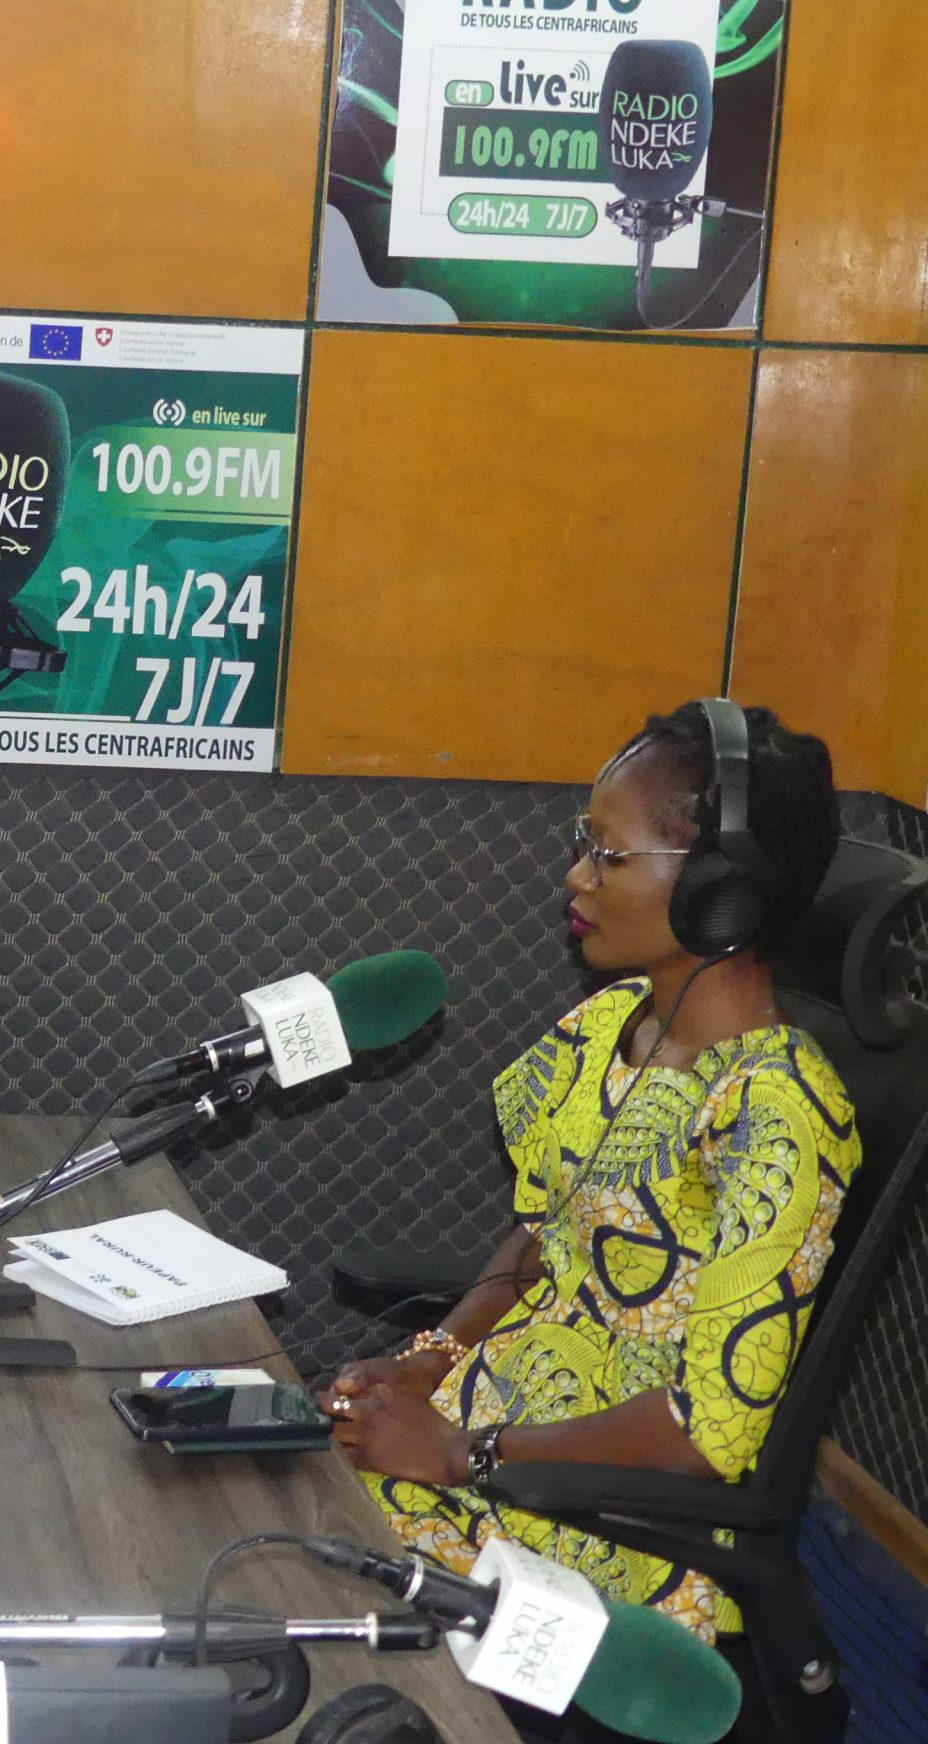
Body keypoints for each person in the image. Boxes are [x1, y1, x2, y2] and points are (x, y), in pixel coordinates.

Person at [328, 699, 853, 1642]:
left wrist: (456, 1453)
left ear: (721, 891)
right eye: (586, 844)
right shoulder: (609, 1025)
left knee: (292, 1569)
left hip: (590, 1516)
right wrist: (426, 1363)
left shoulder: (777, 1118)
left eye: (608, 855)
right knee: (256, 1492)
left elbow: (705, 1432)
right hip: (486, 1438)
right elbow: (543, 1231)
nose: (577, 876)